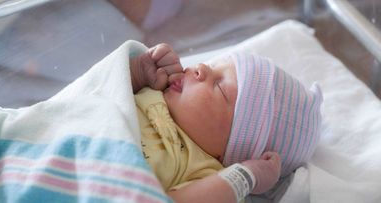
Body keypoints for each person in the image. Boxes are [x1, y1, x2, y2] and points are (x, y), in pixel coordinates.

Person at [130, 43, 323, 203]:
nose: (202, 68)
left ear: (232, 148)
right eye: (213, 67)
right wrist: (137, 73)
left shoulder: (206, 173)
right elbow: (104, 90)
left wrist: (246, 176)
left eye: (219, 86)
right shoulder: (152, 89)